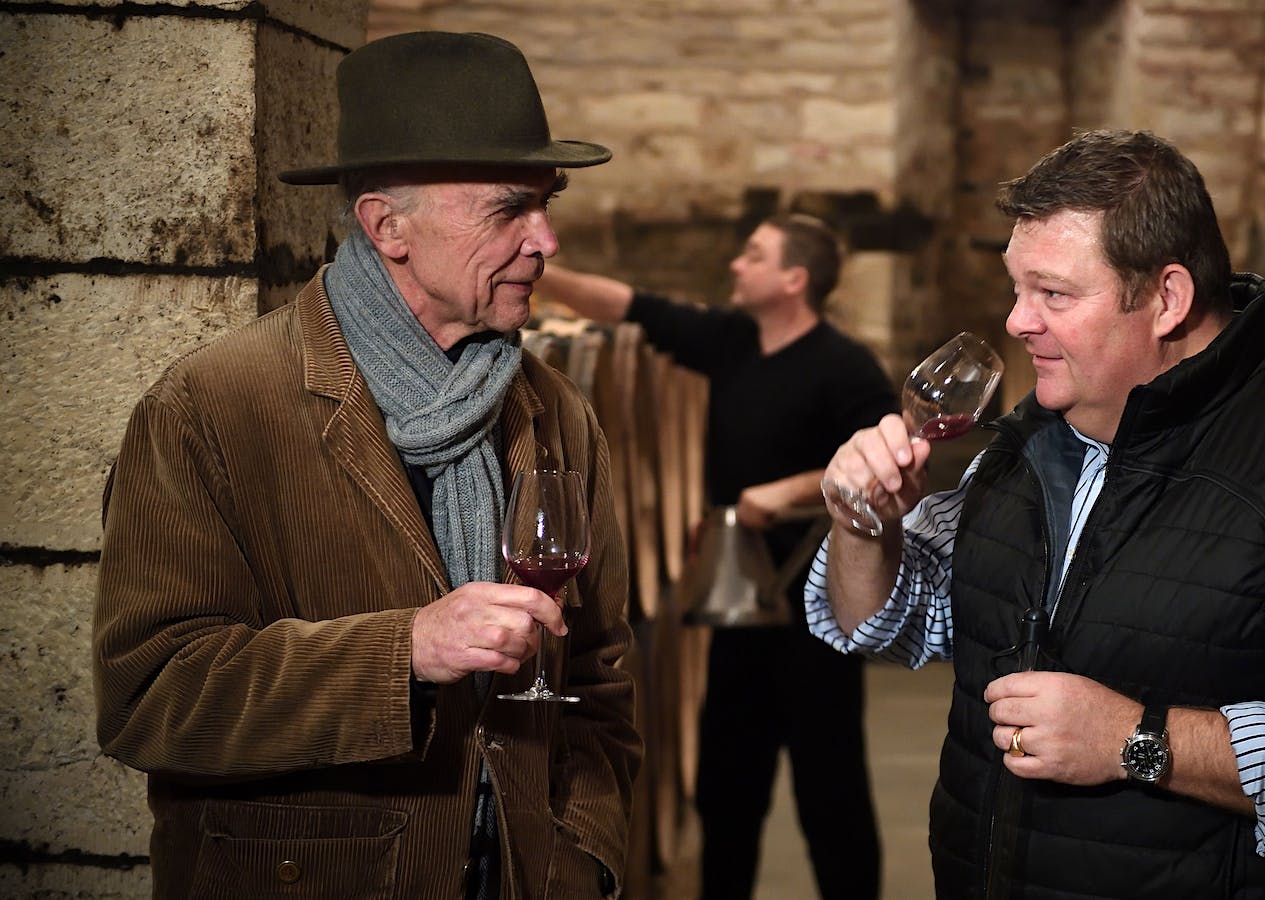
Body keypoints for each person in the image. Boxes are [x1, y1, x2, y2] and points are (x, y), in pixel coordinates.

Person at [807, 130, 1265, 899]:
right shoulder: (1030, 442)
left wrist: (1136, 740)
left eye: (1052, 293)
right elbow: (888, 623)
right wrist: (862, 529)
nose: (1016, 321)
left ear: (1167, 299)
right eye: (1017, 289)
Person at [93, 32, 640, 900]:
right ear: (387, 226)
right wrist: (406, 650)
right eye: (509, 209)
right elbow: (150, 698)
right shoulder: (212, 406)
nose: (549, 240)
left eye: (548, 203)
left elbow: (604, 668)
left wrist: (585, 856)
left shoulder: (554, 409)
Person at [535, 215, 894, 900]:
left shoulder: (841, 365)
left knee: (831, 792)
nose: (735, 264)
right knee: (729, 787)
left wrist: (787, 491)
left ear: (794, 280)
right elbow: (630, 306)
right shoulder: (733, 341)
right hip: (736, 604)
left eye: (753, 255)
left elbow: (890, 457)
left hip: (817, 610)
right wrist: (538, 272)